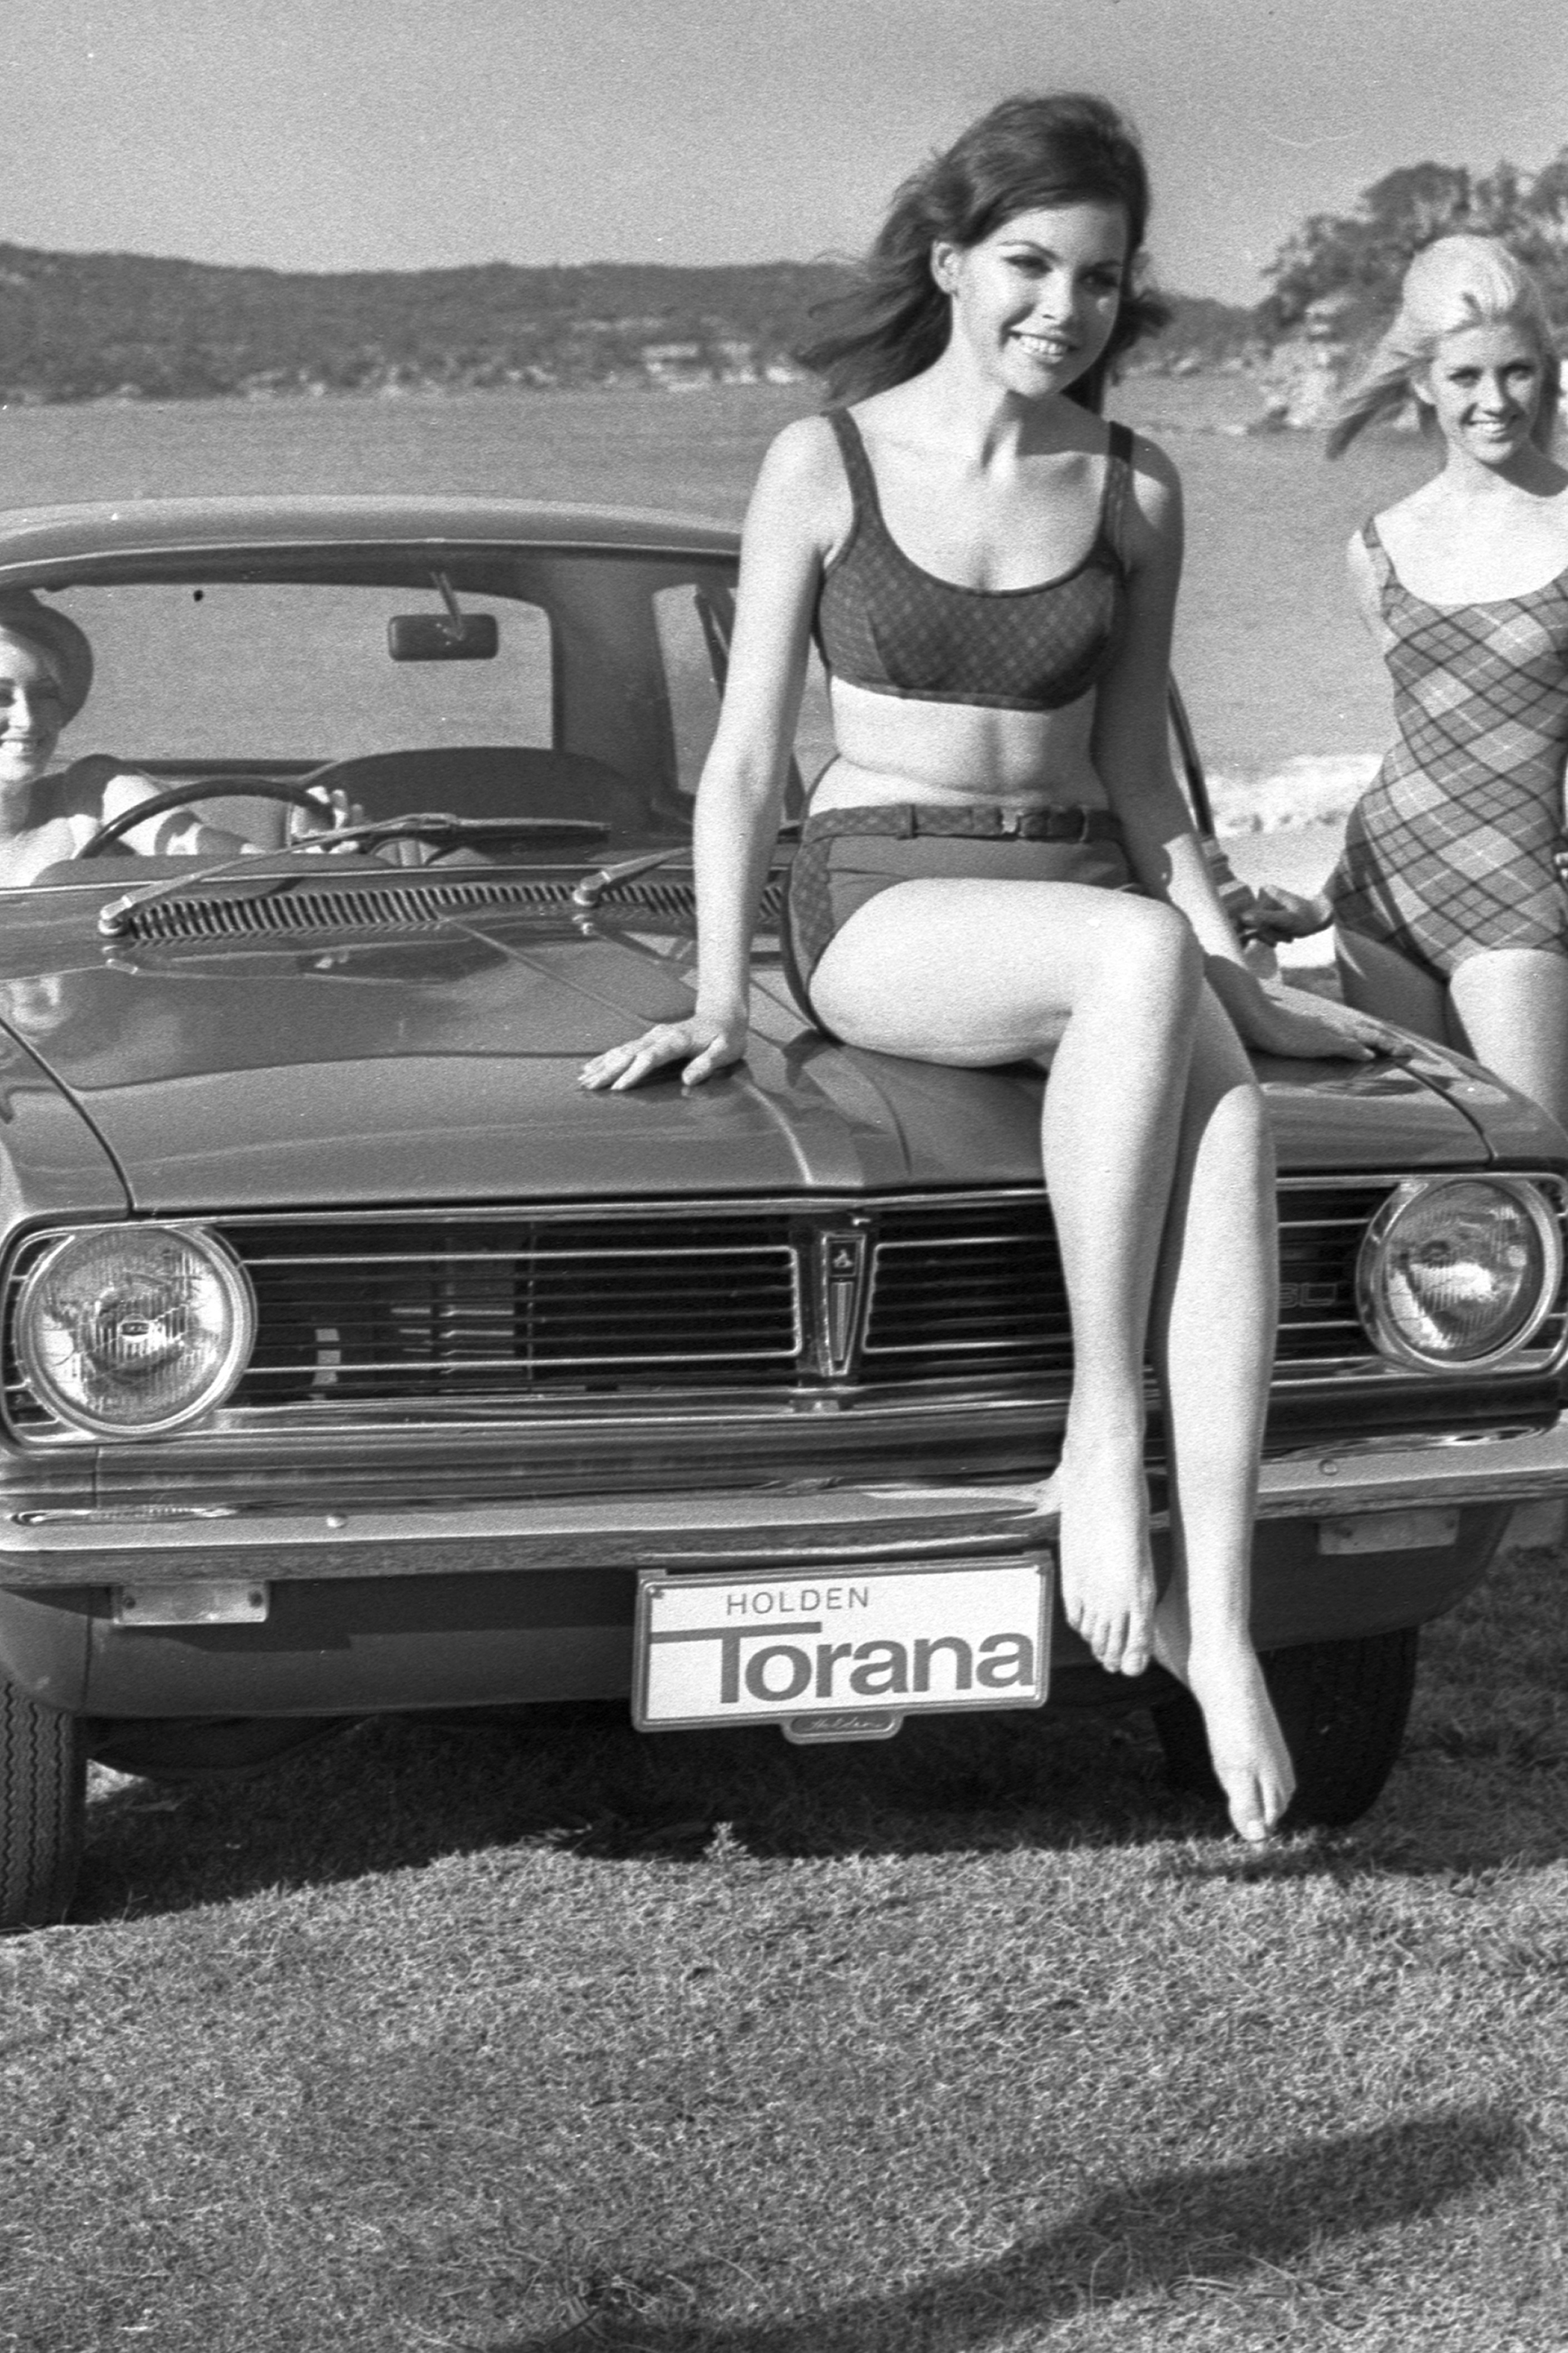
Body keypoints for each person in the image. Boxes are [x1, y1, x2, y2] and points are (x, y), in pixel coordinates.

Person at [576, 92, 1382, 1841]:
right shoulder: (829, 463)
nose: (1062, 307)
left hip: (1092, 916)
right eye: (1028, 263)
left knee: (1233, 1130)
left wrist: (1232, 969)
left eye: (1097, 278)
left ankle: (1220, 1629)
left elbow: (1144, 784)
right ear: (950, 261)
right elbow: (742, 764)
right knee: (1133, 963)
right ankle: (1100, 1449)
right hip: (883, 901)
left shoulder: (1136, 486)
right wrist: (722, 998)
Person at [1250, 234, 1568, 1565]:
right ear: (1421, 384)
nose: (1496, 401)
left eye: (1521, 373)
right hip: (1379, 886)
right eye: (1469, 376)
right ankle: (1427, 1449)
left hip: (1511, 903)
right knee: (1401, 1198)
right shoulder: (1374, 544)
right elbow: (1416, 745)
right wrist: (1318, 902)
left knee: (1542, 1191)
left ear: (1551, 376)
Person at [0, 591, 262, 887]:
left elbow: (196, 849)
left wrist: (304, 860)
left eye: (45, 694)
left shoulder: (92, 793)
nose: (28, 719)